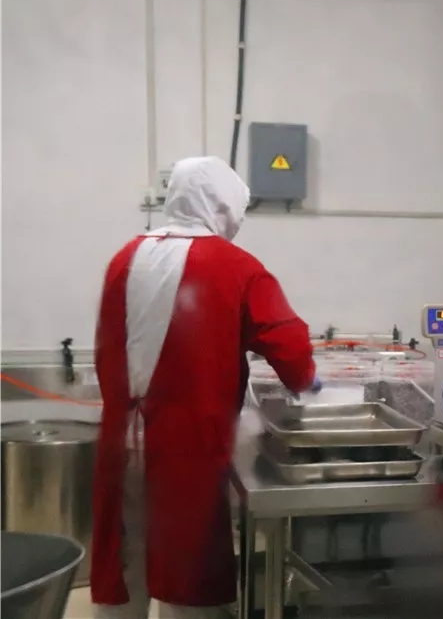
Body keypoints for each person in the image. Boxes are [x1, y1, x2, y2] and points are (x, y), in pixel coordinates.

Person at [91, 157, 319, 618]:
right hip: (188, 444)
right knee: (188, 571)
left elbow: (107, 346)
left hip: (122, 438)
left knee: (128, 559)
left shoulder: (124, 258)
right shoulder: (235, 267)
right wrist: (308, 380)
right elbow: (290, 347)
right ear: (221, 205)